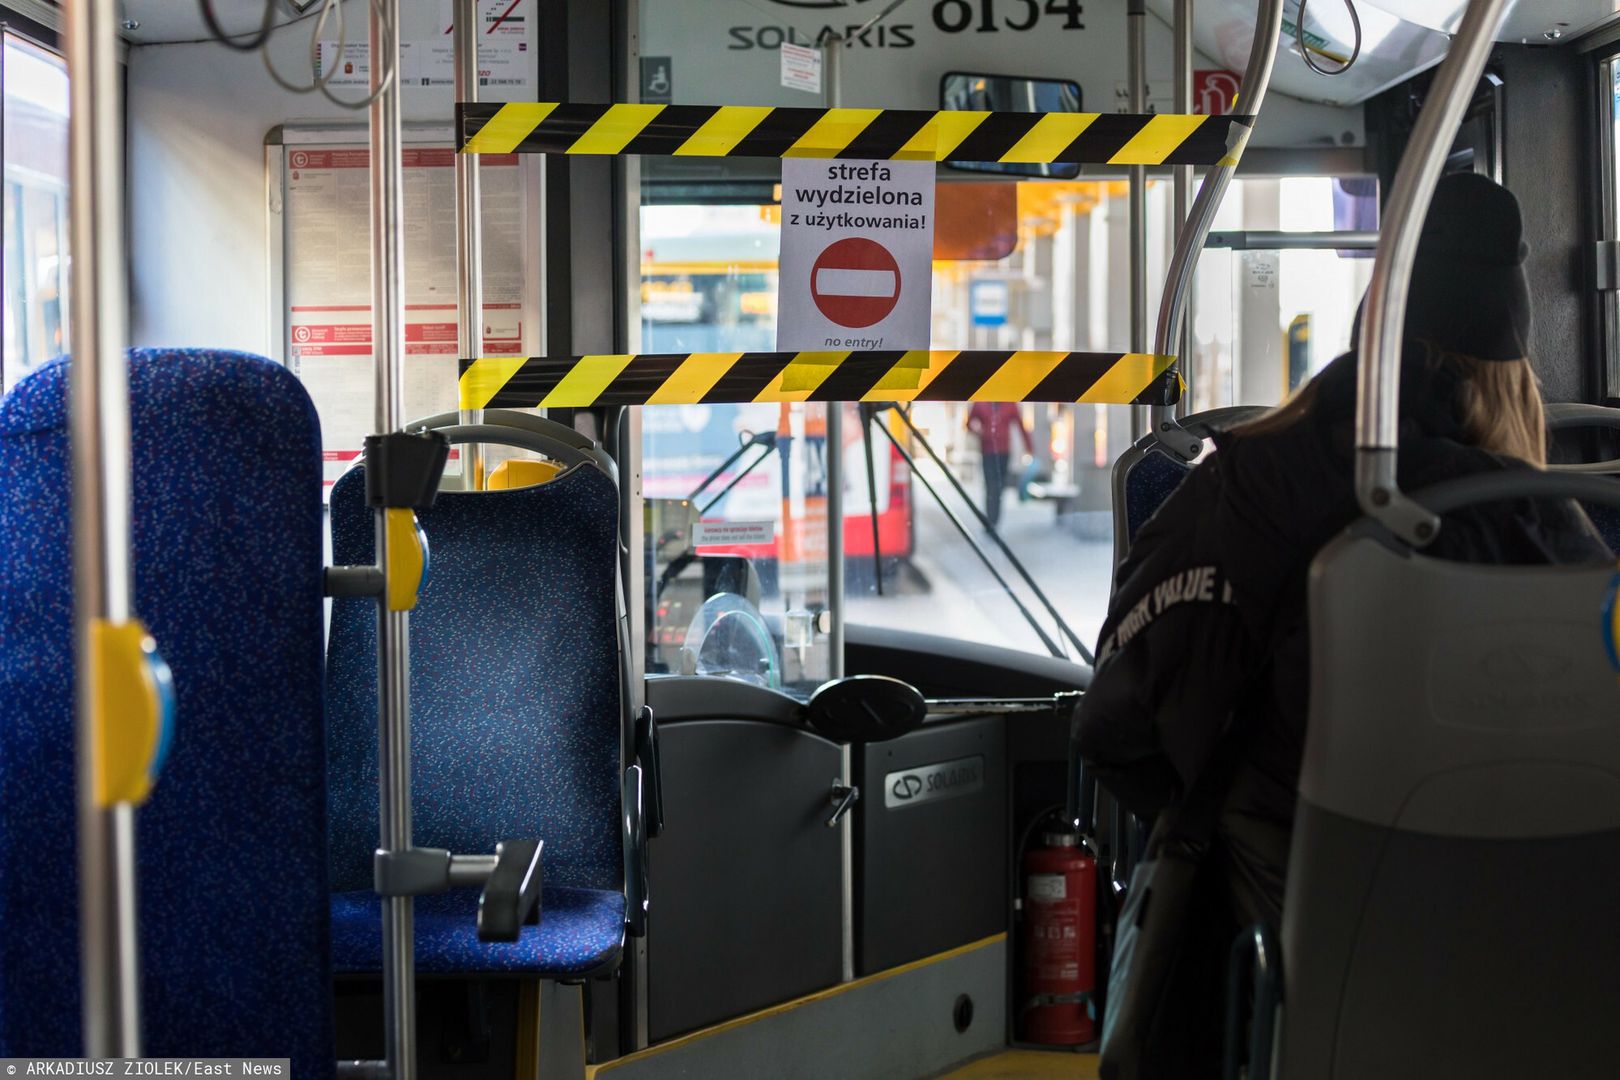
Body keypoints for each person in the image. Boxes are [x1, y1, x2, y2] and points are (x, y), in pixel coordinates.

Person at [1072, 172, 1613, 1076]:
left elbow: (1111, 723)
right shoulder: (1539, 520)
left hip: (1296, 954)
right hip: (1535, 955)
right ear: (1510, 365)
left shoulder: (1237, 488)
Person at [965, 400, 1030, 529]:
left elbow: (1020, 424)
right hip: (988, 451)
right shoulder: (980, 403)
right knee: (990, 486)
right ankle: (990, 521)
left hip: (1004, 451)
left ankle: (995, 520)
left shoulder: (1010, 404)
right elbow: (969, 423)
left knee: (999, 486)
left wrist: (1029, 446)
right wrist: (979, 432)